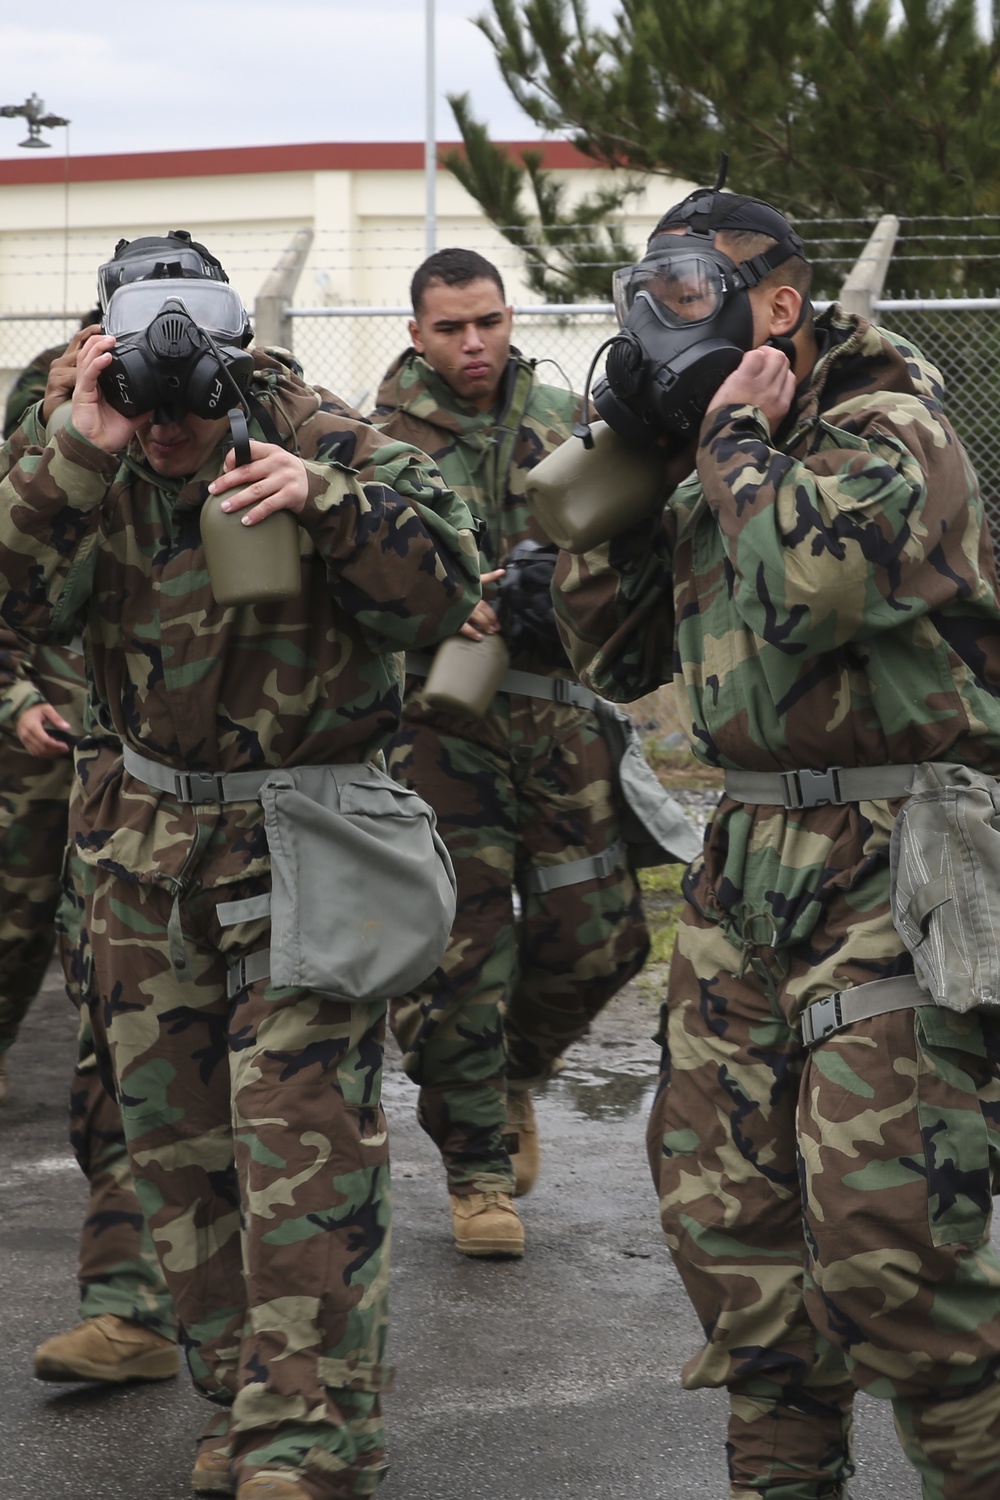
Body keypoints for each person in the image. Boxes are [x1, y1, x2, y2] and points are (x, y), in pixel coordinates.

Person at [0, 229, 479, 1500]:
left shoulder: (316, 434)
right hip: (144, 850)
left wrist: (324, 504)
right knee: (180, 1158)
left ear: (229, 361)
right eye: (142, 404)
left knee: (300, 1147)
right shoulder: (75, 439)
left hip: (305, 838)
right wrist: (74, 462)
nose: (166, 428)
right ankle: (242, 1400)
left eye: (184, 403)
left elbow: (447, 594)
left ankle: (309, 1437)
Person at [551, 184, 1000, 1499]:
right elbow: (616, 655)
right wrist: (619, 488)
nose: (657, 320)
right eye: (648, 296)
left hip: (897, 850)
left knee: (892, 1251)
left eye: (688, 295)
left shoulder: (889, 426)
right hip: (744, 855)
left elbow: (817, 581)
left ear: (780, 305)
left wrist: (734, 435)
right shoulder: (705, 452)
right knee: (730, 1233)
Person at [369, 248, 650, 1258]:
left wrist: (564, 583)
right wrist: (457, 595)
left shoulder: (574, 421)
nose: (473, 343)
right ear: (417, 335)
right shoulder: (373, 441)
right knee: (458, 961)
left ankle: (513, 1077)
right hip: (440, 730)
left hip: (561, 718)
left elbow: (632, 546)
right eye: (450, 327)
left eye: (486, 320)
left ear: (509, 315)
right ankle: (477, 1174)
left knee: (602, 935)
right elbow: (353, 585)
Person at [0, 334, 180, 1386]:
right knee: (92, 1040)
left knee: (149, 1062)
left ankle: (152, 1310)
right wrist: (20, 704)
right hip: (54, 802)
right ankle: (139, 1308)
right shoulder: (34, 479)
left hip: (165, 809)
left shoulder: (198, 468)